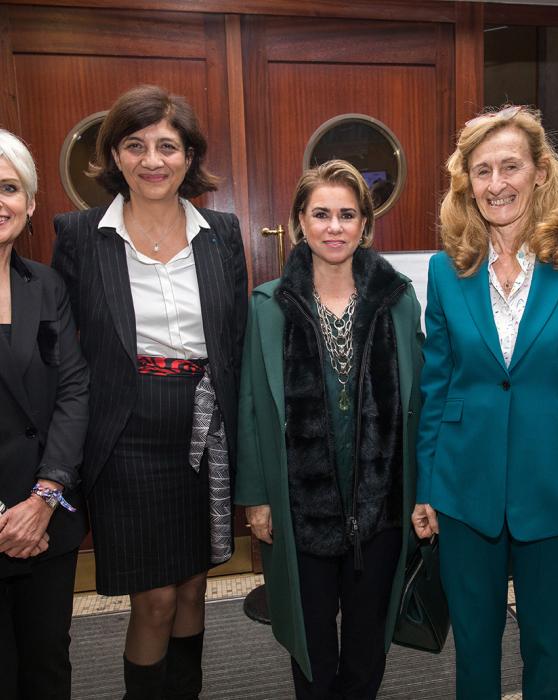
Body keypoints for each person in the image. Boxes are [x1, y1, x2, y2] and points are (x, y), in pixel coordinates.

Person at [411, 105, 558, 699]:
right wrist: (427, 486)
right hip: (464, 487)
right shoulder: (446, 268)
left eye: (510, 166)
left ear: (540, 172)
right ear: (468, 183)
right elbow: (436, 388)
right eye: (481, 171)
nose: (496, 184)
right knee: (474, 653)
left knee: (550, 650)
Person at [52, 85, 247, 700]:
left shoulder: (222, 231)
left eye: (168, 145)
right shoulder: (81, 235)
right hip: (127, 433)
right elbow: (60, 345)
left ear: (190, 156)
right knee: (156, 596)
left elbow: (234, 338)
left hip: (205, 431)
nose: (152, 160)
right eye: (134, 145)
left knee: (193, 585)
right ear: (115, 155)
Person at [235, 159, 422, 699]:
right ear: (300, 221)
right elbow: (251, 405)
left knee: (367, 648)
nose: (334, 227)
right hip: (300, 513)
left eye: (347, 214)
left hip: (381, 509)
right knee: (313, 649)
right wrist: (257, 500)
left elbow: (420, 402)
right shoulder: (269, 305)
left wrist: (422, 494)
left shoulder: (398, 300)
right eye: (321, 214)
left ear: (365, 223)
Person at [0, 129, 89, 699]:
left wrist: (45, 495)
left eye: (8, 187)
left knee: (46, 665)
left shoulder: (46, 284)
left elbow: (74, 389)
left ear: (30, 204)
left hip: (44, 517)